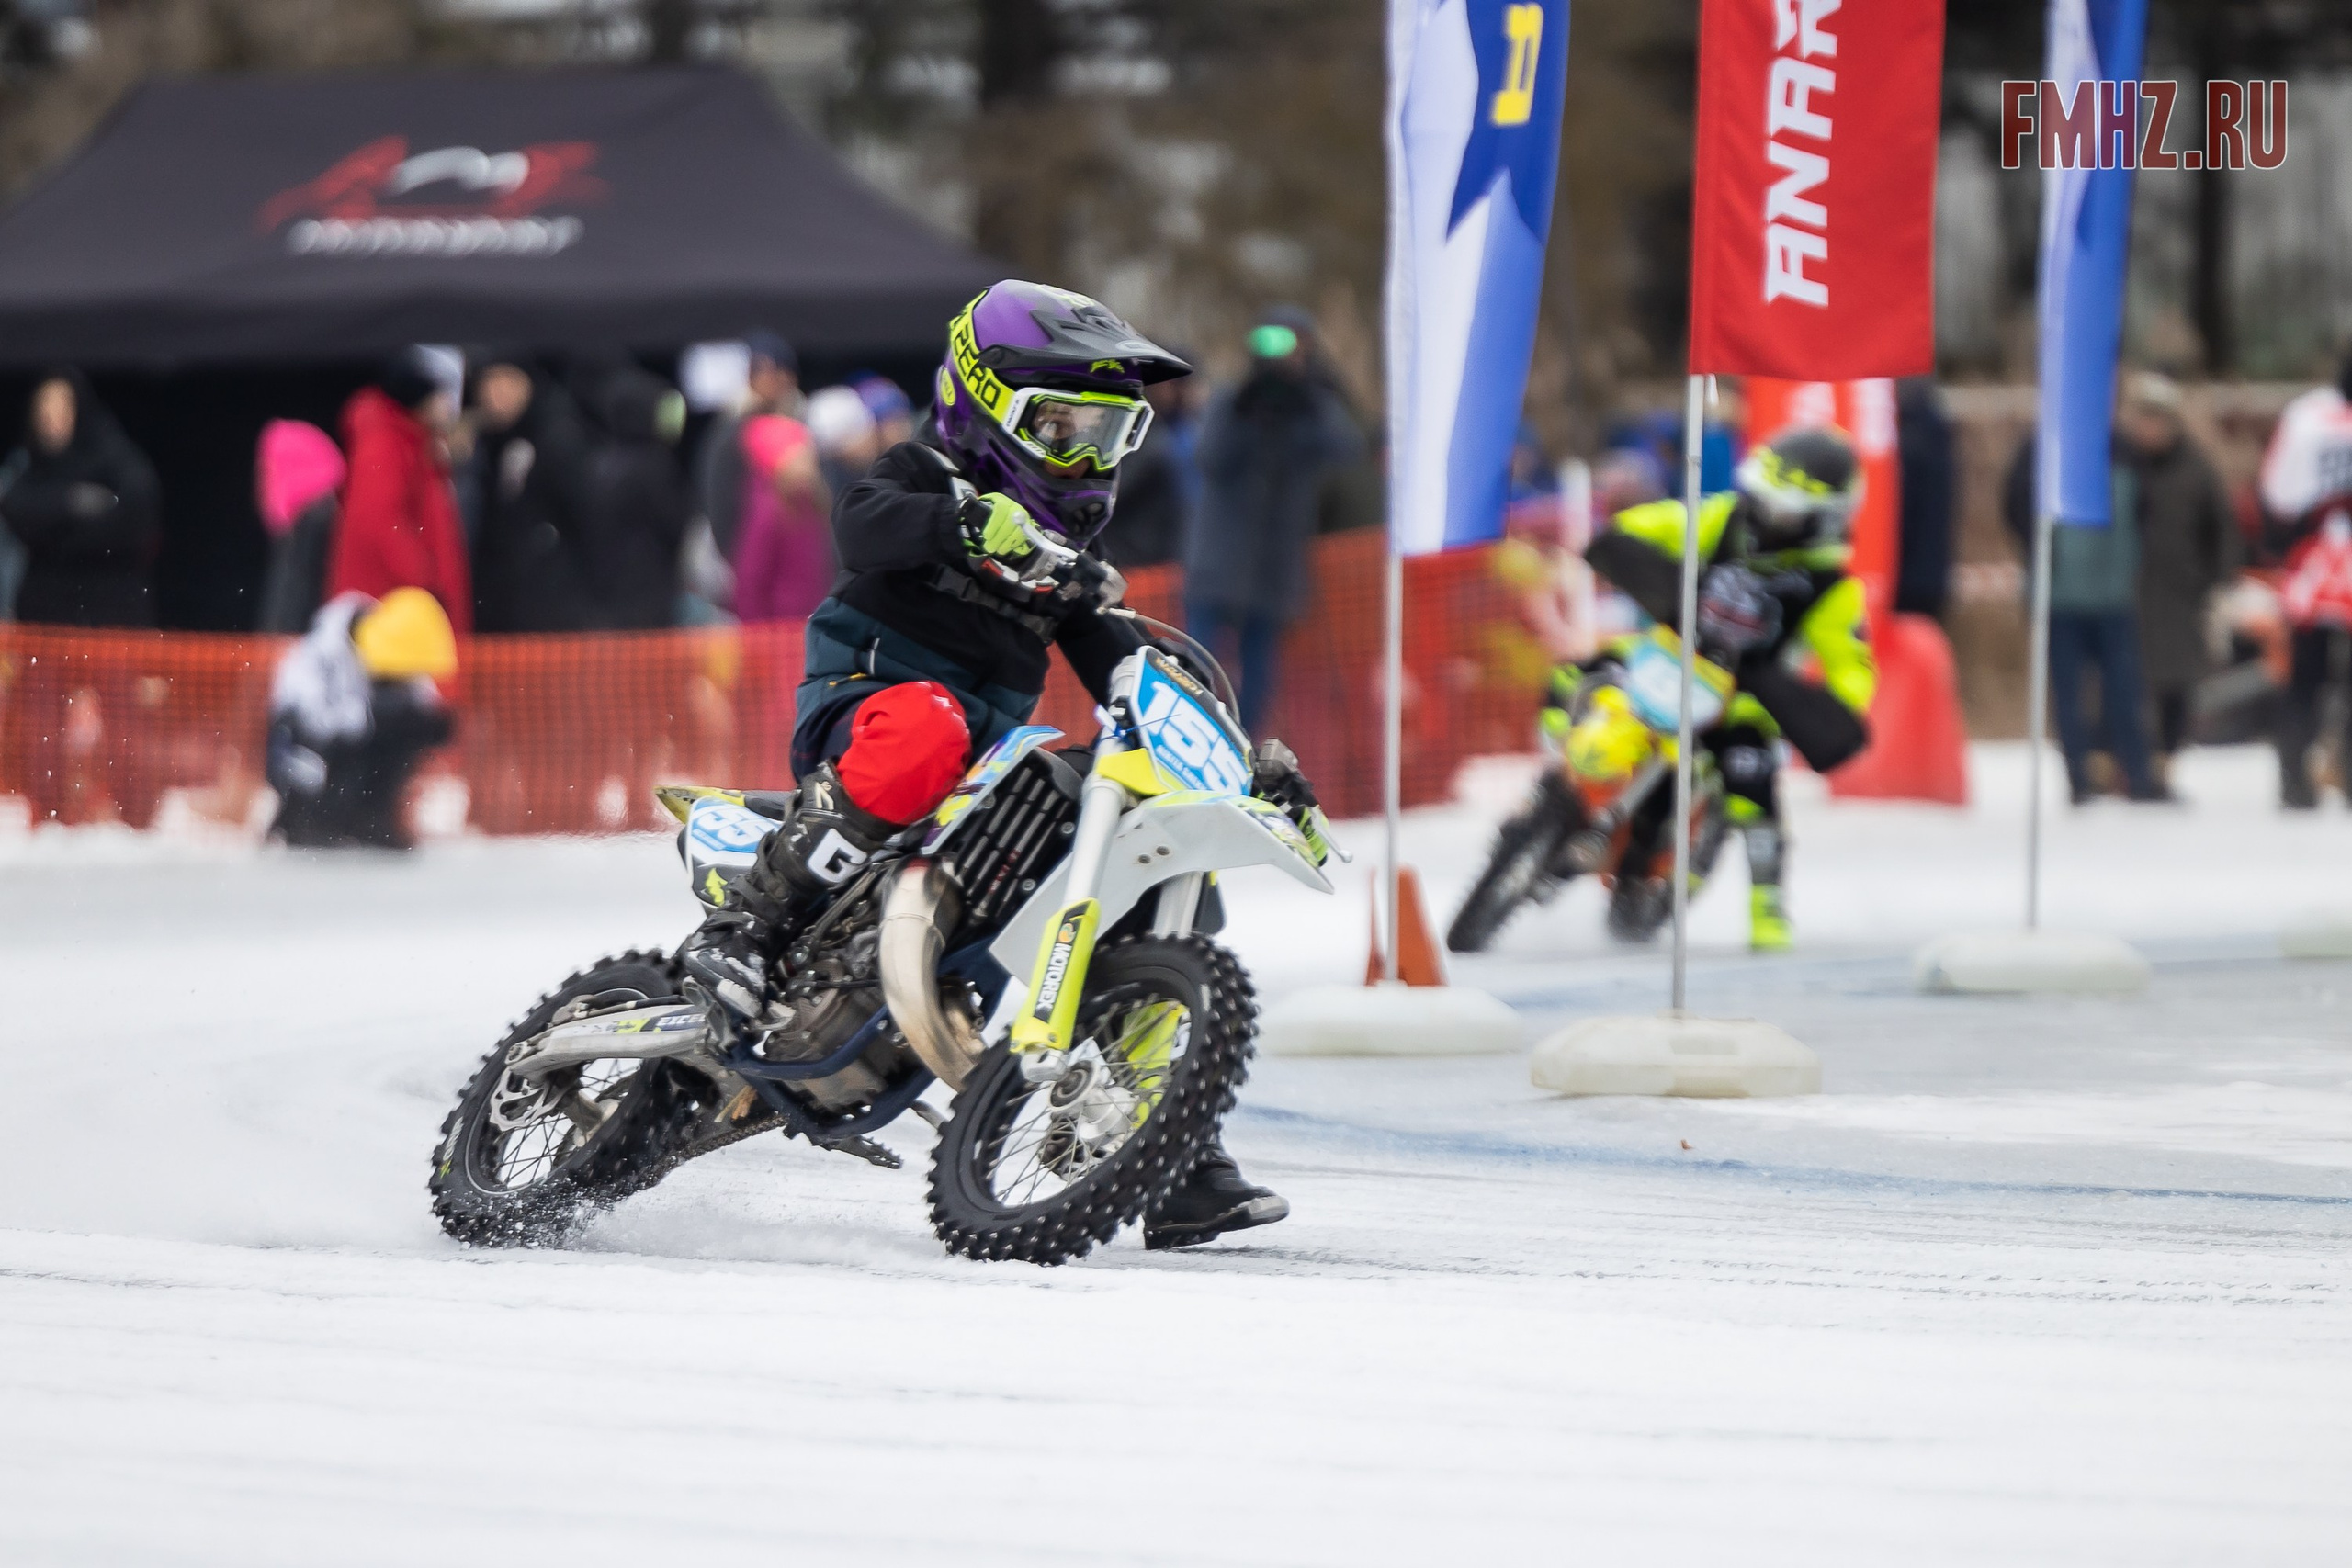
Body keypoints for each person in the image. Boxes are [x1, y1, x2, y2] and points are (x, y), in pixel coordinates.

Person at [674, 280, 1315, 1249]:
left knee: (1134, 844)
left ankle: (1174, 1146)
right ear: (985, 405)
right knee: (926, 724)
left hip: (979, 768)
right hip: (870, 710)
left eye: (1105, 436)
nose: (1085, 457)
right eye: (1063, 428)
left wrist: (1232, 765)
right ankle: (749, 929)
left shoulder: (1065, 566)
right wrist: (962, 524)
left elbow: (1127, 678)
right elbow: (861, 523)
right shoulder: (923, 472)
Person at [1580, 426, 1876, 952]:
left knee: (1751, 776)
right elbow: (1642, 528)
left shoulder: (1830, 587)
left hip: (1744, 702)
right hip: (1670, 661)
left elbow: (1851, 670)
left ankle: (1767, 905)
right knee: (1583, 677)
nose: (1764, 516)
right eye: (1761, 499)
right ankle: (1557, 801)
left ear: (1821, 520)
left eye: (1782, 511)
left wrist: (1822, 705)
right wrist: (1643, 562)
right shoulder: (1718, 519)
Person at [1190, 314, 1367, 733]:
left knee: (1258, 674)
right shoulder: (1232, 401)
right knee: (1194, 661)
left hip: (1273, 568)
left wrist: (1311, 393)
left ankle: (1241, 744)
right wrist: (1243, 407)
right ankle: (1191, 733)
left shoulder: (1310, 408)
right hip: (1218, 564)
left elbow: (1348, 449)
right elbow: (1209, 459)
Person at [2002, 430, 2165, 803]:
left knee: (2095, 693)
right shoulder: (2116, 448)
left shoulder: (2044, 446)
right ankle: (2118, 776)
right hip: (2082, 597)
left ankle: (2098, 777)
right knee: (2099, 692)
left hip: (2095, 596)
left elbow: (2146, 512)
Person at [266, 586, 458, 849]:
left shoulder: (400, 663)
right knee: (316, 765)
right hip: (309, 749)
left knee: (407, 729)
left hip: (356, 752)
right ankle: (307, 824)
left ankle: (375, 820)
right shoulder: (321, 658)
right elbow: (323, 728)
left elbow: (427, 714)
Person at [2117, 372, 2238, 781]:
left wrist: (2218, 581)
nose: (2149, 428)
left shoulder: (2197, 469)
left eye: (2157, 419)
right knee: (2124, 683)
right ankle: (2122, 765)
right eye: (2142, 418)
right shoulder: (2118, 462)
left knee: (2175, 686)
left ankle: (2164, 763)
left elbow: (2221, 528)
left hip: (2180, 595)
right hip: (2125, 593)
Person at [2256, 351, 2352, 808]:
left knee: (2304, 681)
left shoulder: (2307, 417)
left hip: (2314, 566)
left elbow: (2277, 491)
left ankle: (2295, 780)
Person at [0, 368, 160, 627]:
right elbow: (17, 509)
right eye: (44, 409)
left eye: (61, 407)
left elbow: (136, 512)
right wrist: (71, 503)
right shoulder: (28, 467)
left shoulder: (115, 457)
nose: (51, 419)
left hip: (111, 617)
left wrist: (59, 533)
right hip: (45, 619)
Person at [327, 350, 471, 637]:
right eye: (440, 396)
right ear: (419, 399)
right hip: (394, 613)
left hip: (406, 609)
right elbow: (380, 523)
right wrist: (425, 582)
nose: (448, 406)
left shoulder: (413, 442)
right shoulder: (384, 443)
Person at [464, 352, 596, 633]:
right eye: (489, 384)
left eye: (507, 383)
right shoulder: (483, 443)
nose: (497, 396)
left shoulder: (559, 437)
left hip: (550, 610)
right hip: (503, 607)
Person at [578, 367, 692, 630]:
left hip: (604, 594)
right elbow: (674, 523)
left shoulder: (598, 462)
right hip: (649, 595)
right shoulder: (654, 464)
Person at [693, 330, 800, 564]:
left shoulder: (797, 421)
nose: (782, 380)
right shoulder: (734, 429)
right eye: (768, 370)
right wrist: (739, 563)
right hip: (750, 560)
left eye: (784, 371)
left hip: (790, 560)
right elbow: (719, 499)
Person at [730, 414, 835, 622]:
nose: (808, 466)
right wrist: (758, 637)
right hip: (779, 632)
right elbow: (750, 582)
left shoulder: (810, 503)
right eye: (799, 459)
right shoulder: (767, 513)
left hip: (810, 621)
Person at [1098, 369, 1199, 570]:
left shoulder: (1156, 442)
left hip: (1142, 561)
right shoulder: (1161, 435)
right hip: (1143, 558)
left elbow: (1111, 495)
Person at [254, 419, 346, 635]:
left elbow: (292, 600)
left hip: (299, 654)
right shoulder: (325, 515)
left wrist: (274, 651)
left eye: (267, 467)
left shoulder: (313, 522)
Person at [1894, 377, 1955, 621]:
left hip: (1905, 579)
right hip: (1929, 577)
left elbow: (1904, 512)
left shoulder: (1912, 435)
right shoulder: (1934, 428)